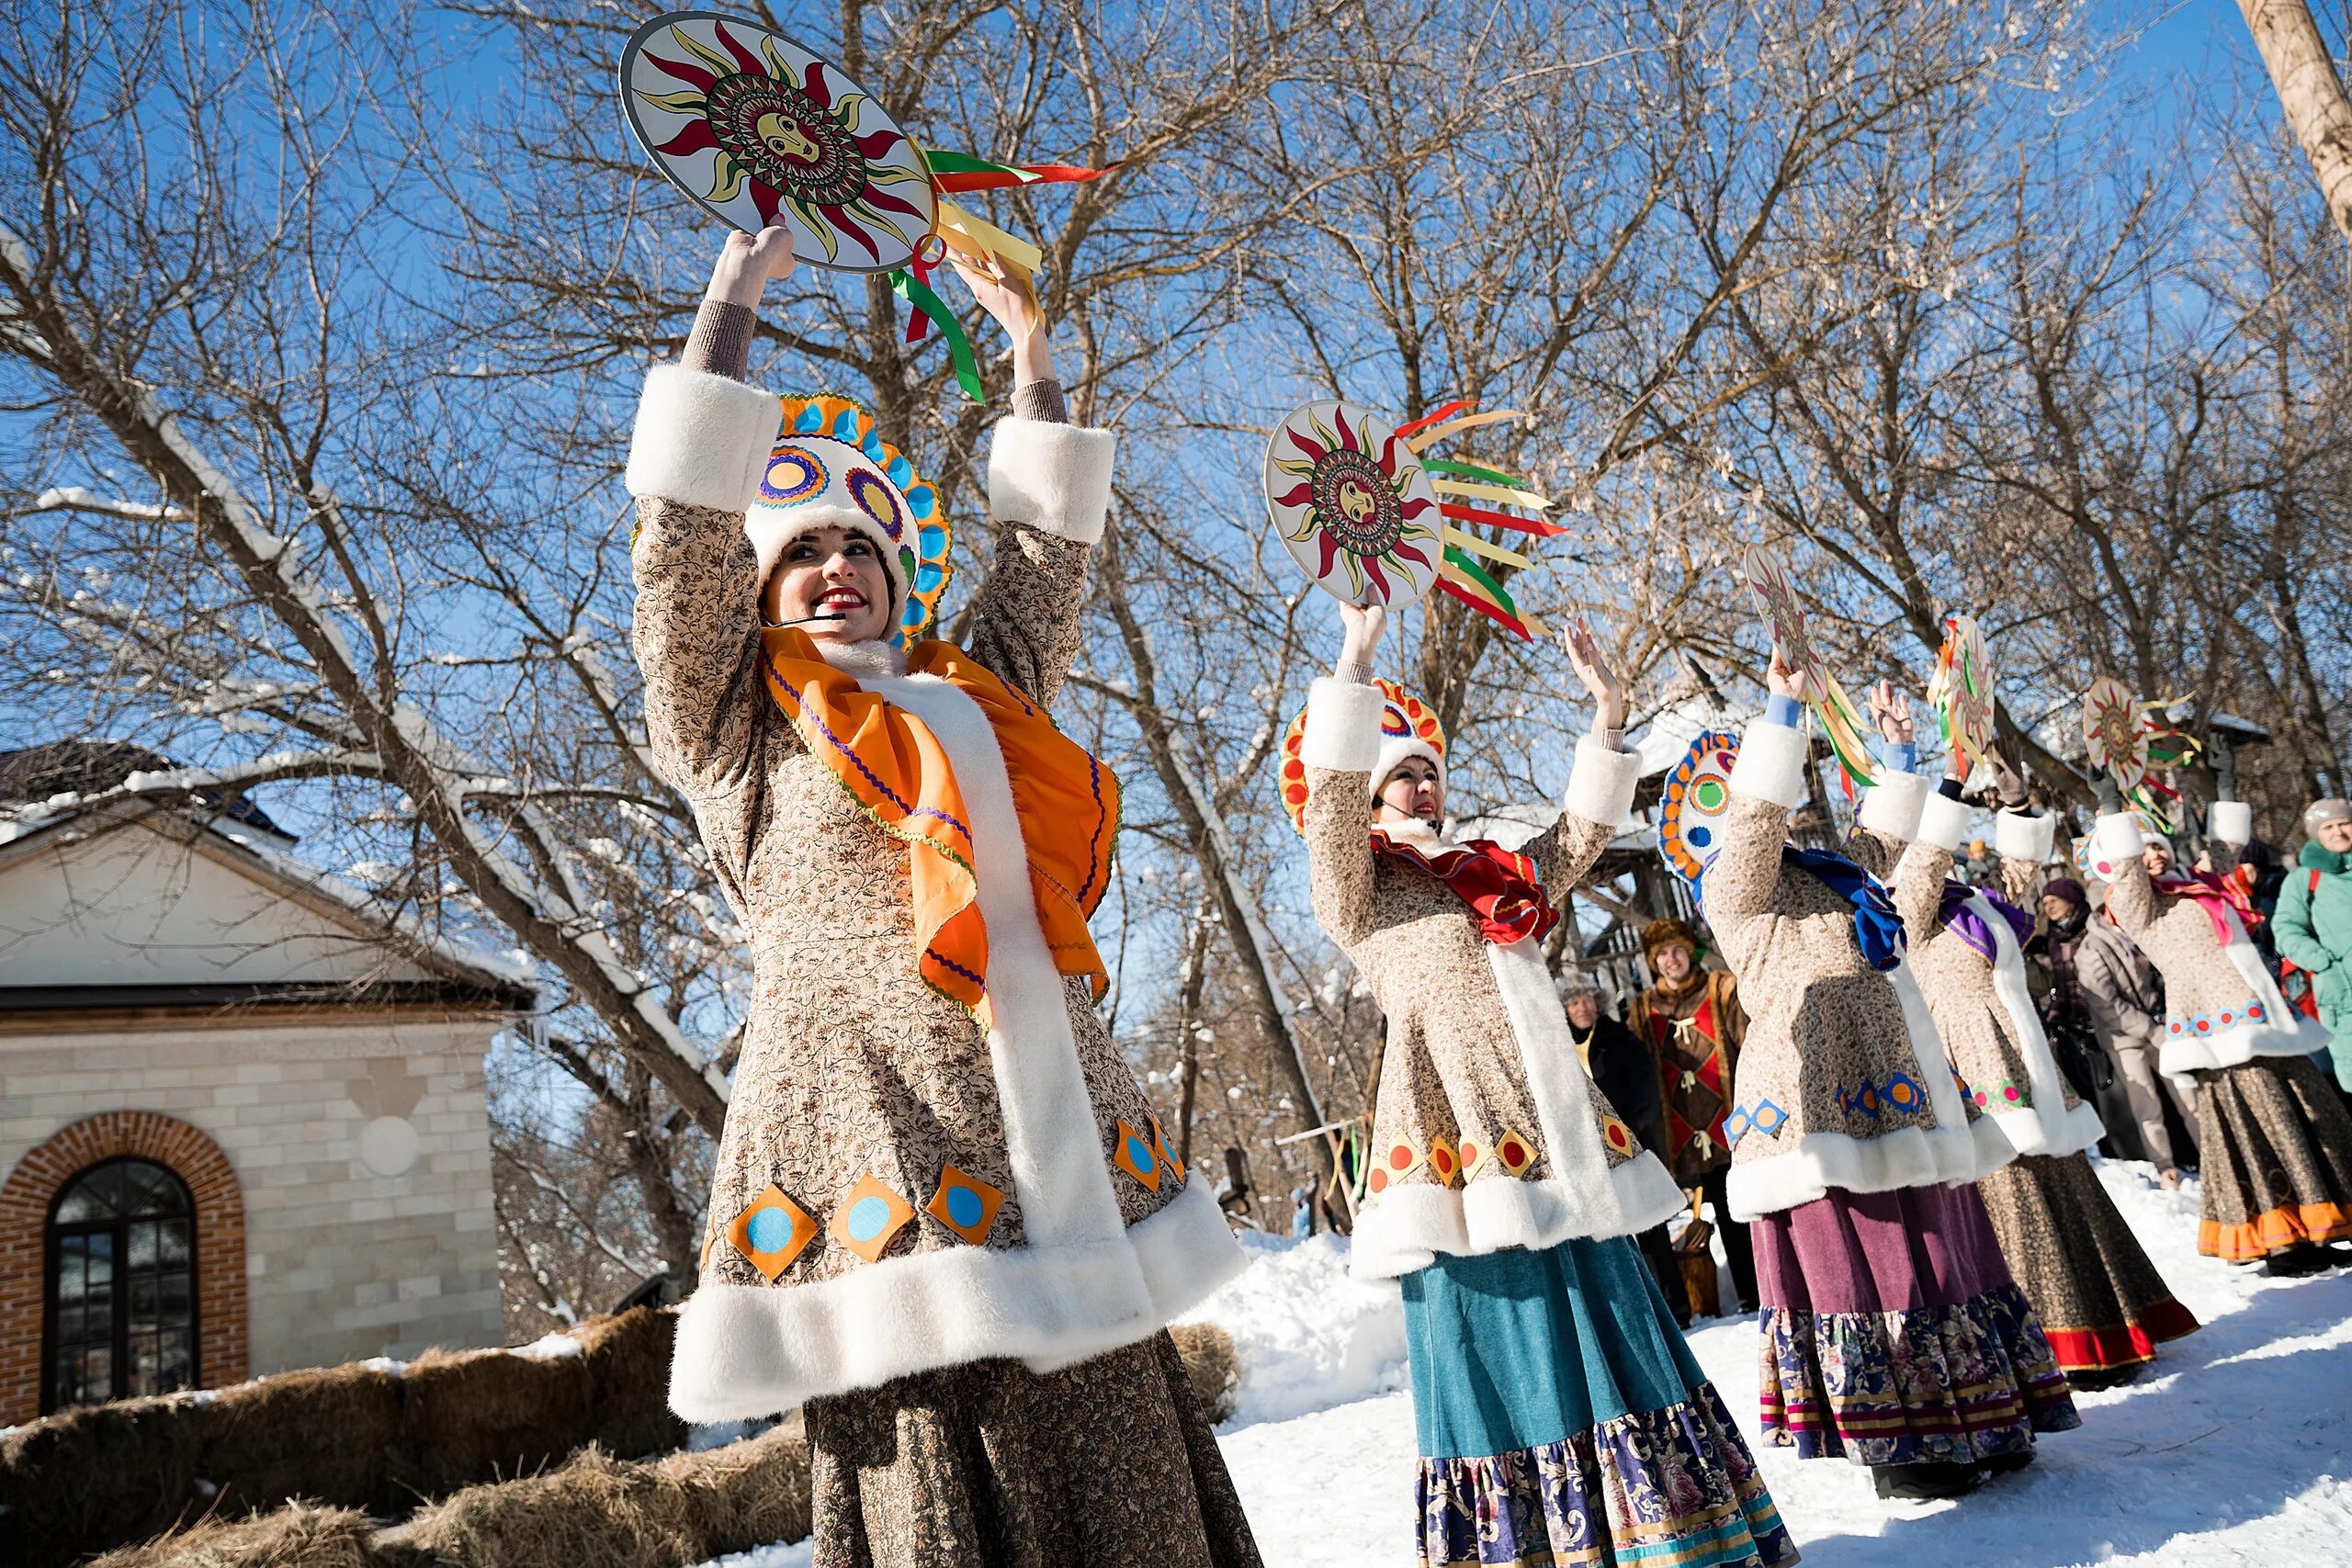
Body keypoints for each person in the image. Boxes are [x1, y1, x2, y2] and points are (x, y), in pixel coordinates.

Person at [628, 226, 1257, 1564]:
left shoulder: (975, 693)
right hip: (881, 1153)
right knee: (942, 1494)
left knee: (1123, 1475)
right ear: (761, 591)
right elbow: (677, 550)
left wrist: (1033, 359)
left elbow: (1043, 561)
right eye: (801, 553)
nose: (837, 567)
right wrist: (731, 304)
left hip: (1057, 1148)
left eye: (861, 545)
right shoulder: (737, 724)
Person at [1297, 603, 1792, 1568]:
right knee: (1504, 1333)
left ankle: (1672, 1537)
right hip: (1456, 1140)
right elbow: (1324, 810)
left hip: (1557, 1132)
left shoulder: (1491, 875)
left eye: (1431, 770)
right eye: (1402, 772)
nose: (1424, 785)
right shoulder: (1360, 889)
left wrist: (1606, 717)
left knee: (1610, 1319)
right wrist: (1356, 653)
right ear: (1366, 791)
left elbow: (1575, 839)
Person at [1707, 656, 2076, 1502]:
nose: (1777, 802)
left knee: (1943, 1251)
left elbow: (1909, 878)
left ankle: (1983, 1412)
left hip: (1897, 1084)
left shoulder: (1841, 881)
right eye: (1754, 789)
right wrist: (1782, 709)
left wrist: (1916, 763)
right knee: (1863, 1261)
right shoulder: (1732, 890)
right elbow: (1758, 822)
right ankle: (1900, 1440)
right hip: (1812, 1097)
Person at [1848, 694, 2197, 1389]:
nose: (1931, 852)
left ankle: (2110, 1324)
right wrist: (1931, 771)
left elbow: (2022, 873)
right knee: (2019, 1204)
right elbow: (1918, 862)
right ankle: (2053, 1349)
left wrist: (2011, 790)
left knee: (2067, 1191)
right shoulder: (1902, 909)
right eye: (1920, 841)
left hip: (2028, 1063)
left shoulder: (1975, 905)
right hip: (1974, 1074)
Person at [2093, 792, 2352, 1275]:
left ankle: (2322, 1226)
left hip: (2267, 1018)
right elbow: (2126, 871)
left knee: (2309, 1118)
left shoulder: (2199, 886)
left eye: (2159, 846)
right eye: (2144, 849)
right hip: (2220, 1032)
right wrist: (2115, 815)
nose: (2155, 854)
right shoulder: (2138, 904)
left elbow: (2226, 852)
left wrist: (2227, 792)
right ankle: (2280, 1241)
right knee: (2261, 1132)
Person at [1626, 918, 1759, 1314]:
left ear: (1690, 953)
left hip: (1728, 1126)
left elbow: (1749, 1042)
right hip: (1676, 1136)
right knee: (1678, 1222)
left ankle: (1754, 1291)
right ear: (1654, 962)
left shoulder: (1720, 990)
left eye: (1678, 951)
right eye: (1663, 954)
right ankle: (1690, 1301)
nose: (1672, 960)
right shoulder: (1642, 1009)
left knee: (1739, 1211)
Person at [1565, 973, 1685, 1324]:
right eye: (1574, 1002)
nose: (1582, 1007)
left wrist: (1633, 1130)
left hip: (1630, 1144)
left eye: (1587, 999)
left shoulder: (1620, 1039)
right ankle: (1636, 1308)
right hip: (1588, 1154)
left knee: (1652, 1227)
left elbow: (1646, 1087)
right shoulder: (1561, 1048)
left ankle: (1675, 1305)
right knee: (1613, 1230)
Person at [2272, 797, 2352, 1097]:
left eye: (2344, 823)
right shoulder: (2303, 879)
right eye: (2328, 826)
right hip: (2344, 998)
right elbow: (2285, 930)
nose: (2338, 832)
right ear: (2317, 834)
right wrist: (2324, 964)